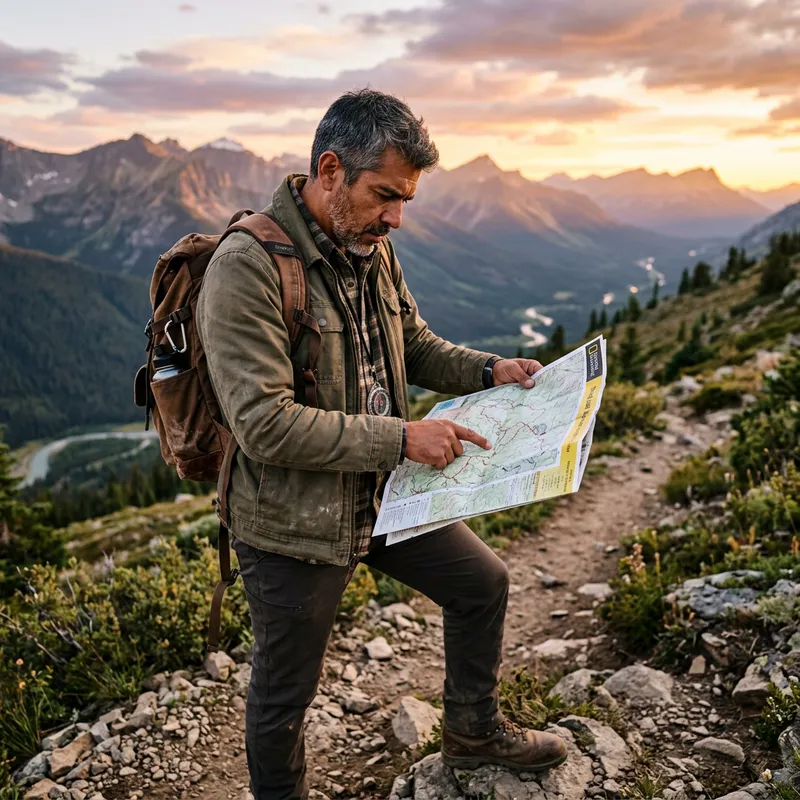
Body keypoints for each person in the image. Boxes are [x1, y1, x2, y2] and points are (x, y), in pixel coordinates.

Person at [196, 88, 567, 800]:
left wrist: (491, 370)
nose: (396, 218)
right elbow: (263, 424)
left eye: (405, 201)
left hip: (380, 495)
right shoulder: (247, 266)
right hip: (292, 522)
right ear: (330, 171)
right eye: (384, 196)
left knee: (481, 584)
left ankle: (470, 732)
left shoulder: (369, 246)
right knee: (285, 693)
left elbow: (414, 345)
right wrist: (402, 438)